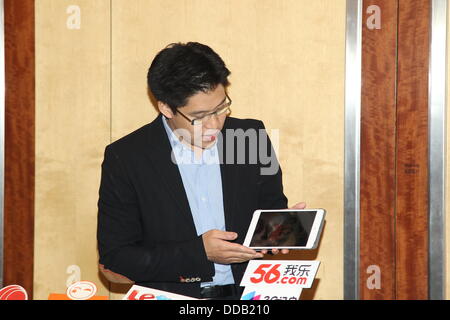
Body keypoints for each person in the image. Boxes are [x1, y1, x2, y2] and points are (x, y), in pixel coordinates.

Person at [97, 42, 306, 300]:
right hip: (176, 296)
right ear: (166, 108)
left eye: (221, 108)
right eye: (200, 116)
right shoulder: (128, 157)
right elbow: (117, 256)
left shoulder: (249, 137)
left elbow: (270, 208)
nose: (215, 124)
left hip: (249, 294)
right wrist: (199, 253)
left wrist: (279, 233)